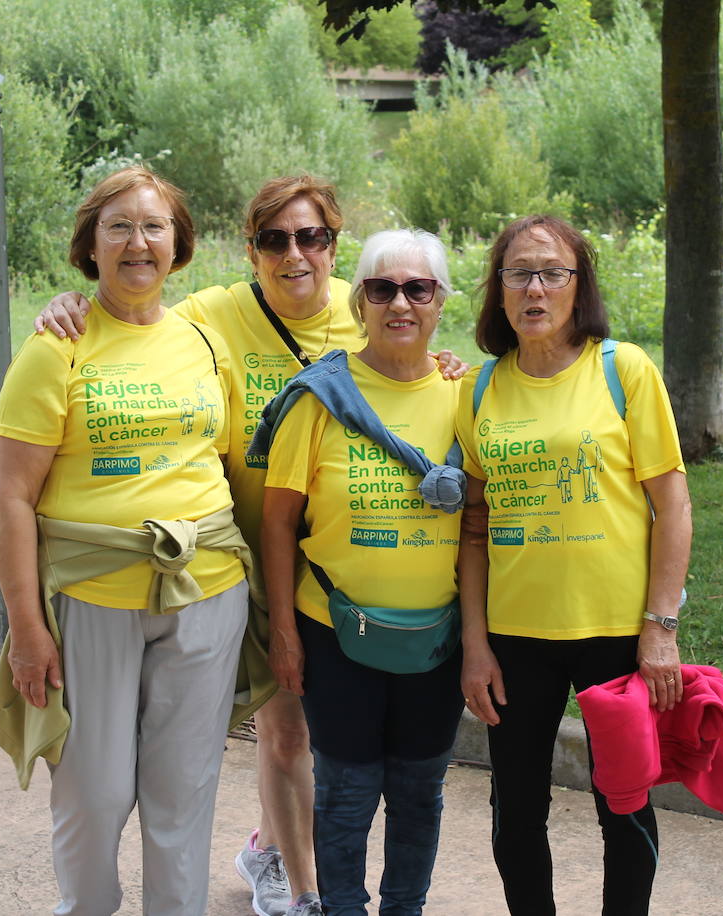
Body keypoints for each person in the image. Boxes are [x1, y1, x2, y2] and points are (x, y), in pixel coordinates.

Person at [33, 176, 465, 916]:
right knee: (284, 731)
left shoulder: (365, 307)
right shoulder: (211, 316)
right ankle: (301, 887)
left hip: (333, 559)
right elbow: (134, 316)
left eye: (312, 237)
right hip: (245, 551)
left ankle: (276, 849)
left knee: (313, 739)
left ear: (335, 246)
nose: (294, 254)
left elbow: (410, 359)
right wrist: (68, 304)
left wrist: (445, 364)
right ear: (251, 250)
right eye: (274, 239)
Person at [0, 166, 250, 916]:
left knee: (183, 791)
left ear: (178, 244)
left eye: (154, 226)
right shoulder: (56, 347)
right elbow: (9, 497)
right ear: (91, 246)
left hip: (207, 591)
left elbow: (227, 459)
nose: (139, 242)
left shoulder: (204, 342)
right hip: (91, 597)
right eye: (120, 227)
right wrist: (26, 630)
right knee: (93, 791)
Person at [455, 215, 692, 915]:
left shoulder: (624, 370)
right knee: (515, 810)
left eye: (553, 272)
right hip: (515, 639)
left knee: (625, 805)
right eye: (519, 273)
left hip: (615, 635)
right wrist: (475, 643)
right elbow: (473, 528)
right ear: (499, 289)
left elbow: (673, 506)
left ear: (578, 284)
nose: (535, 288)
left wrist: (661, 627)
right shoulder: (477, 389)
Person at [258, 229, 466, 915]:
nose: (400, 303)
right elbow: (278, 524)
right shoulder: (317, 399)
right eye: (382, 289)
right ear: (360, 303)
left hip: (436, 639)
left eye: (418, 289)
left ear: (440, 302)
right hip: (334, 633)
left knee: (419, 795)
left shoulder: (468, 397)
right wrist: (284, 632)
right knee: (345, 796)